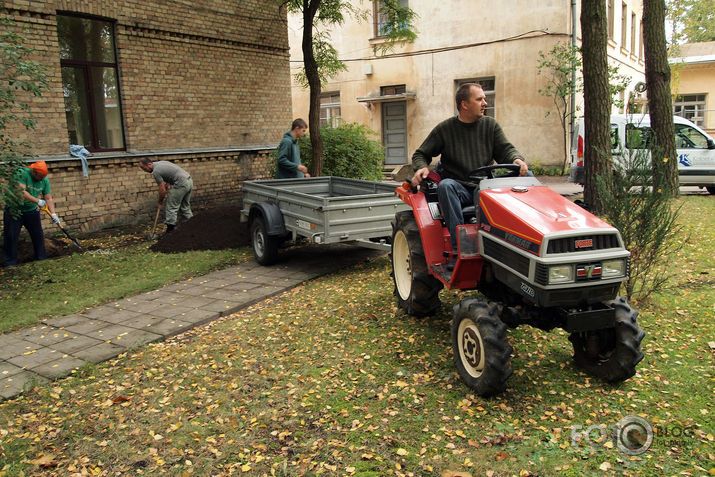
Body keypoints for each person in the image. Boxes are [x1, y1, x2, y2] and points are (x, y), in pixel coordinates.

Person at [411, 83, 529, 250]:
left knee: (528, 177)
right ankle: (460, 246)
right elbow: (420, 154)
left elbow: (506, 150)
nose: (485, 103)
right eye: (479, 99)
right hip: (459, 188)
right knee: (445, 186)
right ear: (464, 104)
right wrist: (421, 167)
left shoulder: (491, 126)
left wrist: (516, 159)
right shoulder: (445, 129)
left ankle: (513, 241)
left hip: (485, 186)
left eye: (484, 99)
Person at [2, 161, 61, 266]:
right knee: (11, 236)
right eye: (41, 176)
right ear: (34, 172)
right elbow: (21, 192)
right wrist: (37, 201)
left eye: (44, 176)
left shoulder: (44, 180)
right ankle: (10, 263)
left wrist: (53, 214)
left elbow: (48, 197)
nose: (43, 179)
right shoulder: (22, 173)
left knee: (38, 235)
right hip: (14, 210)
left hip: (31, 211)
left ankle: (42, 259)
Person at [139, 158, 193, 234]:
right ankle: (191, 226)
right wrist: (167, 185)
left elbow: (162, 190)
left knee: (171, 207)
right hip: (189, 181)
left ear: (149, 164)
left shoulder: (156, 171)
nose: (145, 171)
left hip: (181, 184)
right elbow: (170, 174)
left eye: (145, 169)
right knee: (185, 206)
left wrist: (160, 202)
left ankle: (170, 231)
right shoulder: (161, 163)